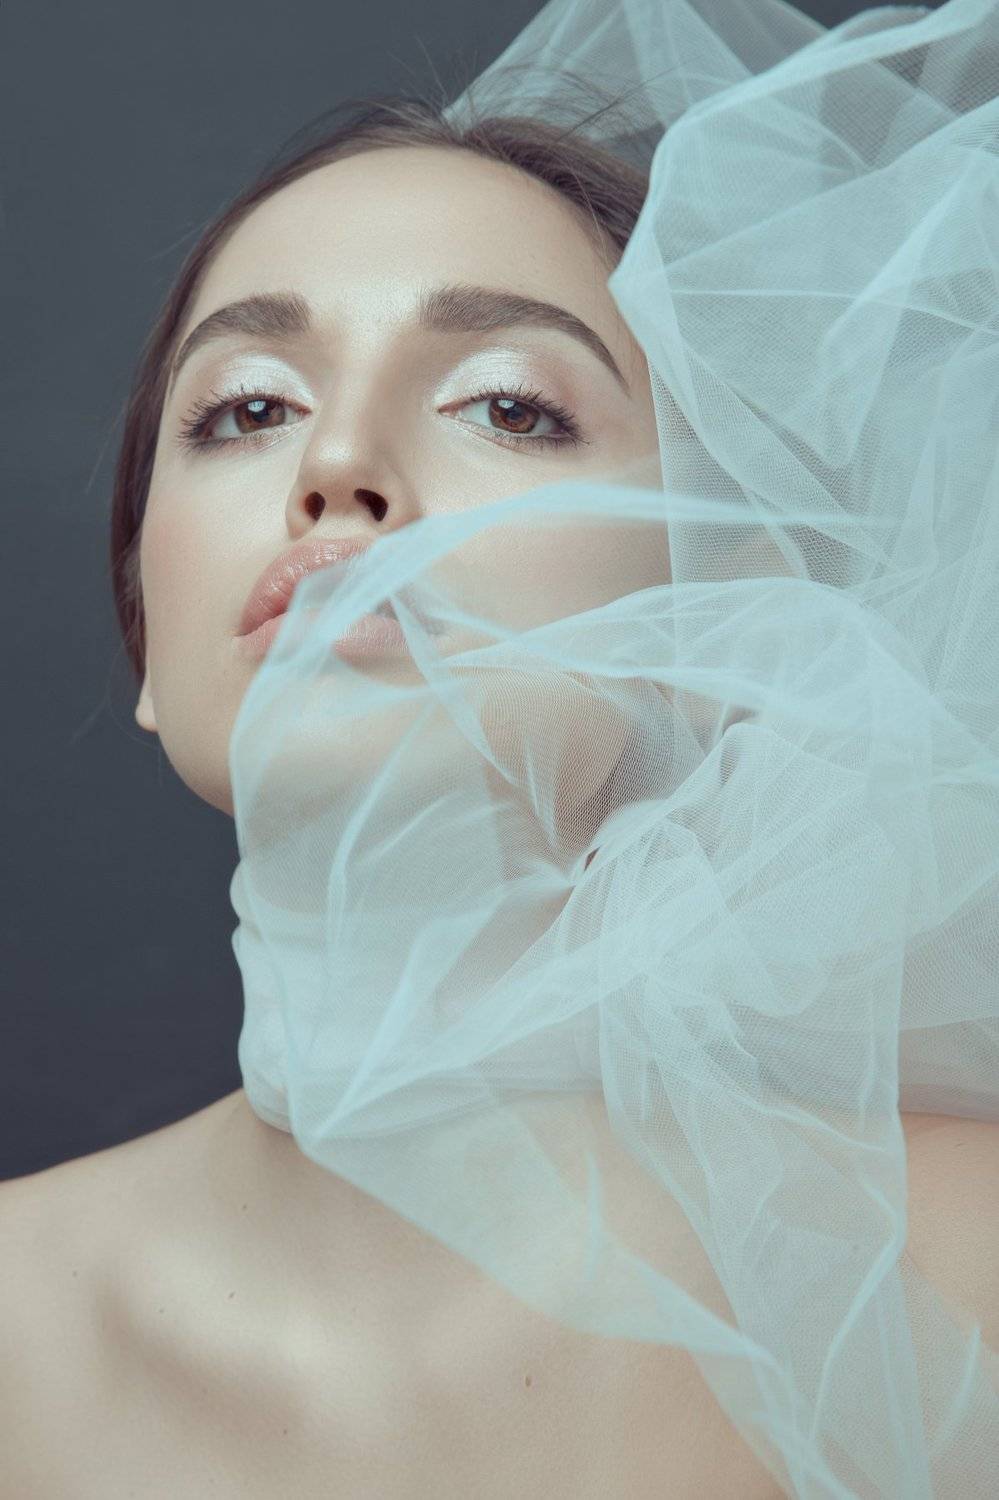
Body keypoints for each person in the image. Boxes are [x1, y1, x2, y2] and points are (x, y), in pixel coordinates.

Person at [6, 0, 999, 1494]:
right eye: (249, 408)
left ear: (720, 612)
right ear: (148, 640)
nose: (339, 466)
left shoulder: (970, 1288)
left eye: (510, 408)